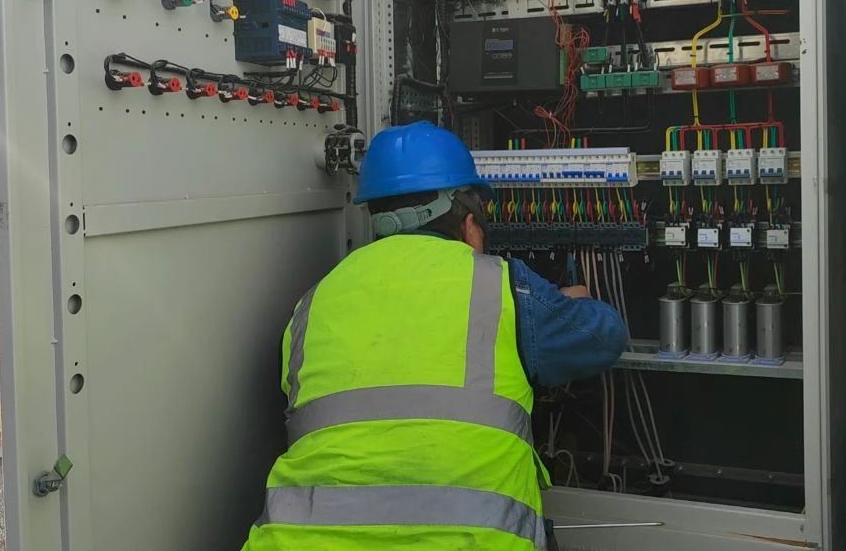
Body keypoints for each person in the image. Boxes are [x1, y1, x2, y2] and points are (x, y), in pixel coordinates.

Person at [242, 121, 628, 551]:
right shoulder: (500, 287)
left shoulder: (314, 301)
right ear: (469, 221)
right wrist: (565, 301)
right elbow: (604, 336)